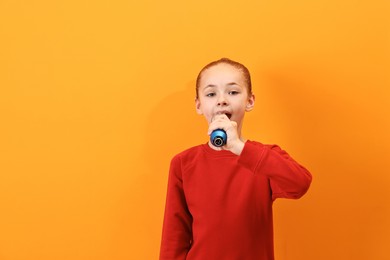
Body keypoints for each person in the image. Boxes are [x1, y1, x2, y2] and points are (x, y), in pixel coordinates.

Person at [159, 58, 312, 260]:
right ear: (199, 105)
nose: (222, 100)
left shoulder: (263, 157)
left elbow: (299, 183)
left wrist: (239, 148)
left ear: (249, 101)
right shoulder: (183, 163)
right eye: (211, 94)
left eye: (233, 92)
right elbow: (174, 238)